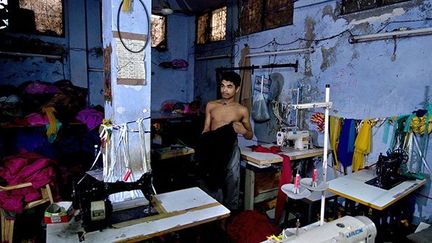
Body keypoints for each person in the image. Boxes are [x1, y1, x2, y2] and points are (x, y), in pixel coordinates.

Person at [197, 71, 253, 209]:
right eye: (222, 86)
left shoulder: (242, 110)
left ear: (237, 89)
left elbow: (250, 135)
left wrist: (243, 131)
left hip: (230, 148)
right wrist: (202, 146)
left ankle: (230, 212)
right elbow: (206, 129)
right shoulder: (211, 105)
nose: (225, 90)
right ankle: (210, 210)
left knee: (232, 179)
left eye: (229, 86)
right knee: (210, 179)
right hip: (212, 147)